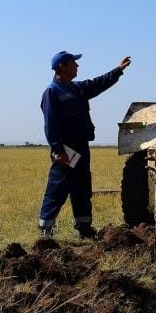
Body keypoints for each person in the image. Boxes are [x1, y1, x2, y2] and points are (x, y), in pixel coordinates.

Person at [39, 51, 132, 238]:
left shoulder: (76, 88)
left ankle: (84, 227)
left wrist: (118, 70)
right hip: (66, 149)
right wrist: (58, 150)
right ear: (61, 67)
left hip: (81, 146)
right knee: (58, 188)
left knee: (82, 187)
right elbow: (51, 124)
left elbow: (98, 83)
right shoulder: (52, 92)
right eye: (73, 63)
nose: (77, 66)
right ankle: (45, 230)